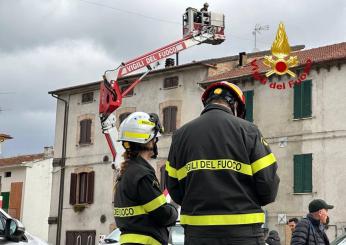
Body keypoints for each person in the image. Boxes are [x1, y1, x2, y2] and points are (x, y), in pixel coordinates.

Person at [165, 81, 280, 245]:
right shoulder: (249, 131)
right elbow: (268, 186)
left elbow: (174, 189)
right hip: (243, 233)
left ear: (207, 103)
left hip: (197, 235)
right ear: (234, 105)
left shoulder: (180, 136)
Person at [114, 112, 178, 245]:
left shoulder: (127, 173)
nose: (155, 141)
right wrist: (174, 208)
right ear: (148, 140)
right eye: (155, 138)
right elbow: (164, 215)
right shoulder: (142, 175)